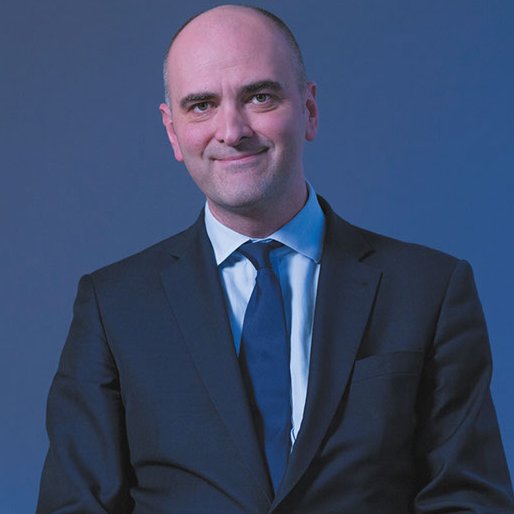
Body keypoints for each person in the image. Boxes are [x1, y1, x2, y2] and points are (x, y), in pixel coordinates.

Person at [37, 5, 514, 513]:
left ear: (308, 109)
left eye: (259, 97)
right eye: (201, 105)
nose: (231, 129)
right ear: (172, 131)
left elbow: (469, 500)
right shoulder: (114, 307)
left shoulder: (429, 290)